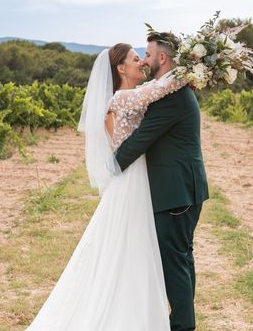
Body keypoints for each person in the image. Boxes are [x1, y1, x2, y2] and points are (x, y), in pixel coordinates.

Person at [26, 43, 184, 331]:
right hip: (133, 182)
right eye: (136, 59)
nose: (142, 63)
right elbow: (158, 90)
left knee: (132, 247)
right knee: (132, 246)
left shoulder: (127, 98)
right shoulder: (122, 98)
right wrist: (192, 69)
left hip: (137, 179)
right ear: (121, 68)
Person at [115, 32, 209, 331]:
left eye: (148, 53)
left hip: (176, 194)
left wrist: (110, 168)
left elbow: (141, 140)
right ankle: (184, 322)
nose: (145, 59)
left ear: (162, 58)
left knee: (175, 264)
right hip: (183, 190)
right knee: (183, 258)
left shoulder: (173, 97)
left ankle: (183, 326)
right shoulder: (172, 90)